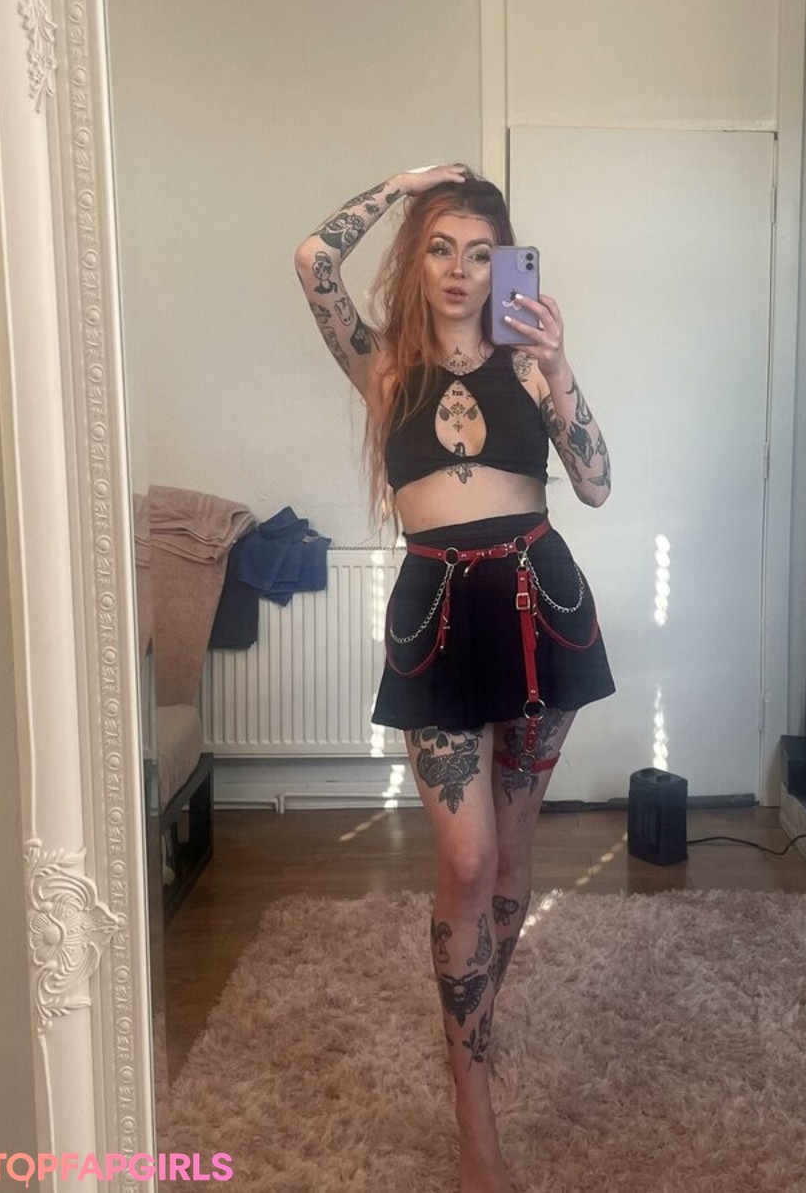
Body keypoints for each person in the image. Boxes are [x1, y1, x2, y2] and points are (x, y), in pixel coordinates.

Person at [293, 163, 615, 1193]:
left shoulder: (527, 365)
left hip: (539, 608)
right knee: (467, 860)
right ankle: (473, 1106)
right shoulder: (386, 366)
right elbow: (313, 259)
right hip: (434, 617)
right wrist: (404, 184)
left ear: (502, 264)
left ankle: (476, 1030)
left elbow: (597, 484)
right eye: (442, 247)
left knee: (512, 855)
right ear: (416, 258)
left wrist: (559, 364)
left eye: (482, 252)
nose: (462, 270)